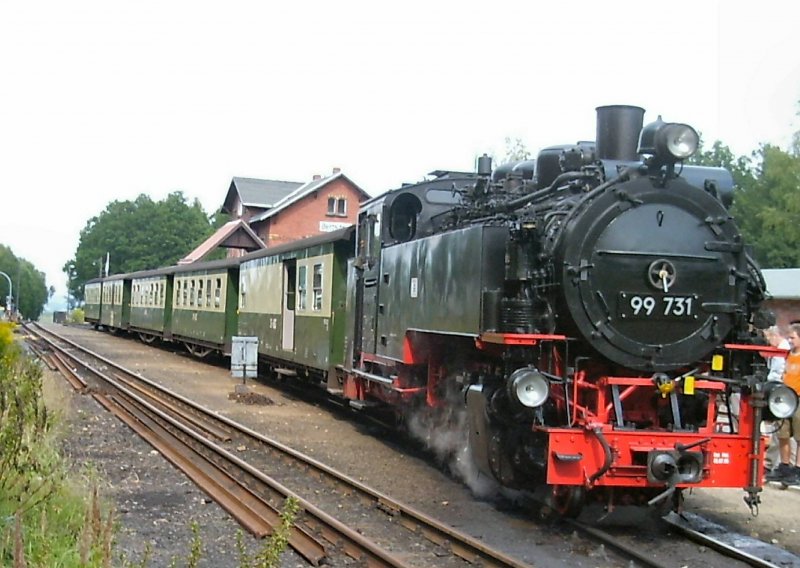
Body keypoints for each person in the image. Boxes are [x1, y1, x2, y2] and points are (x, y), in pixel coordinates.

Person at [765, 323, 800, 485]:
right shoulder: (788, 355)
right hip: (785, 397)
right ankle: (784, 465)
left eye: (793, 338)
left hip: (798, 398)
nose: (790, 341)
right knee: (783, 434)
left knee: (799, 436)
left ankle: (797, 469)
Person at [762, 326, 789, 471]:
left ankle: (772, 463)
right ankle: (771, 462)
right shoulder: (778, 350)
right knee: (777, 430)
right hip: (775, 386)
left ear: (775, 336)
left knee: (780, 429)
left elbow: (777, 373)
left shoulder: (782, 350)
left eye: (769, 338)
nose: (768, 342)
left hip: (779, 388)